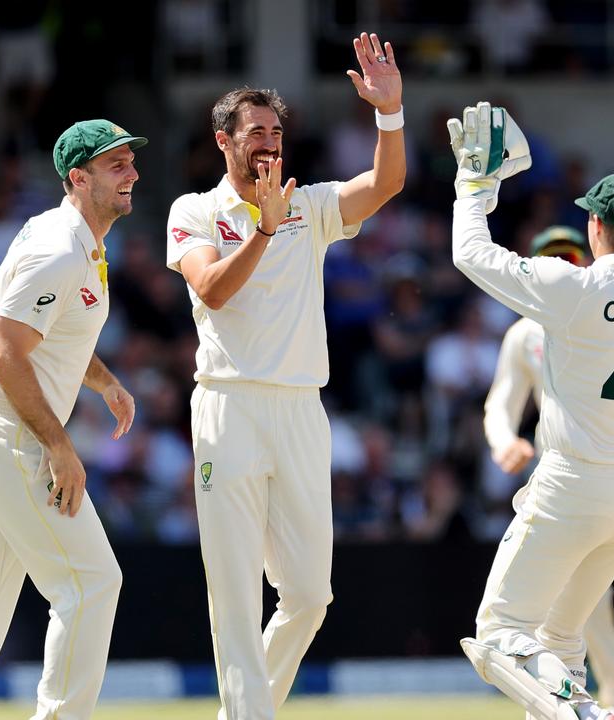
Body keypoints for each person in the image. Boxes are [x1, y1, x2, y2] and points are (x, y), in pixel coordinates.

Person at [165, 32, 406, 720]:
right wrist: (263, 231)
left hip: (302, 408)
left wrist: (388, 114)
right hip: (230, 405)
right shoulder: (195, 212)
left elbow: (386, 184)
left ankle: (238, 712)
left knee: (308, 595)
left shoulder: (311, 202)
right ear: (224, 141)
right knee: (236, 592)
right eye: (255, 131)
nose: (269, 142)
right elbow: (210, 290)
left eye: (276, 130)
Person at [450, 99, 614, 720]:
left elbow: (472, 254)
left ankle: (590, 716)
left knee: (497, 636)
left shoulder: (572, 290)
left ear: (594, 229)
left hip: (570, 484)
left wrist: (475, 184)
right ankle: (586, 705)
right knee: (562, 643)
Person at [0, 120, 142, 720]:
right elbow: (2, 348)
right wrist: (59, 443)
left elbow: (16, 326)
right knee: (93, 584)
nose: (132, 174)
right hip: (6, 433)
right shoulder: (58, 248)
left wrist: (103, 381)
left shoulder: (69, 238)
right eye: (116, 166)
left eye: (131, 161)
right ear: (79, 178)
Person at [483, 225, 614, 720]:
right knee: (579, 612)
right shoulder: (524, 334)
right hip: (569, 477)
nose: (565, 266)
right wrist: (504, 441)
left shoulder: (610, 304)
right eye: (552, 260)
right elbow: (501, 402)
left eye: (571, 256)